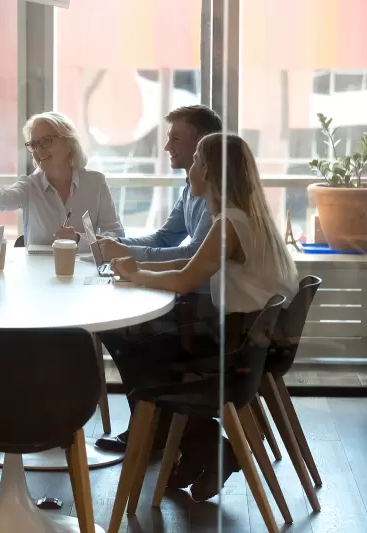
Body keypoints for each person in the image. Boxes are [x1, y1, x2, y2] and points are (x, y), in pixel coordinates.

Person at [109, 132, 299, 501]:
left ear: (208, 171)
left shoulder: (229, 222)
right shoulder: (247, 216)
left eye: (196, 160)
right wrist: (137, 271)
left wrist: (137, 275)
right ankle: (200, 447)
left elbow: (185, 280)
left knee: (137, 350)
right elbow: (192, 266)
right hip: (254, 341)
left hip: (237, 350)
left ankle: (205, 446)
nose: (190, 168)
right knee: (141, 343)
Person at [94, 105, 221, 453]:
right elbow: (165, 238)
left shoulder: (218, 200)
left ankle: (153, 429)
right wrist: (119, 245)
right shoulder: (192, 188)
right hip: (198, 302)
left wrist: (129, 258)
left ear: (202, 145)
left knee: (125, 331)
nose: (167, 147)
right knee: (120, 330)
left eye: (175, 139)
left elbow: (191, 255)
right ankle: (153, 426)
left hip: (206, 313)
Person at [0, 111, 123, 250]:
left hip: (83, 269)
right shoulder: (30, 186)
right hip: (37, 269)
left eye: (46, 141)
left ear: (68, 143)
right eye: (33, 144)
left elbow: (116, 234)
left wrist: (79, 239)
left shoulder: (95, 183)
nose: (38, 150)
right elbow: (8, 196)